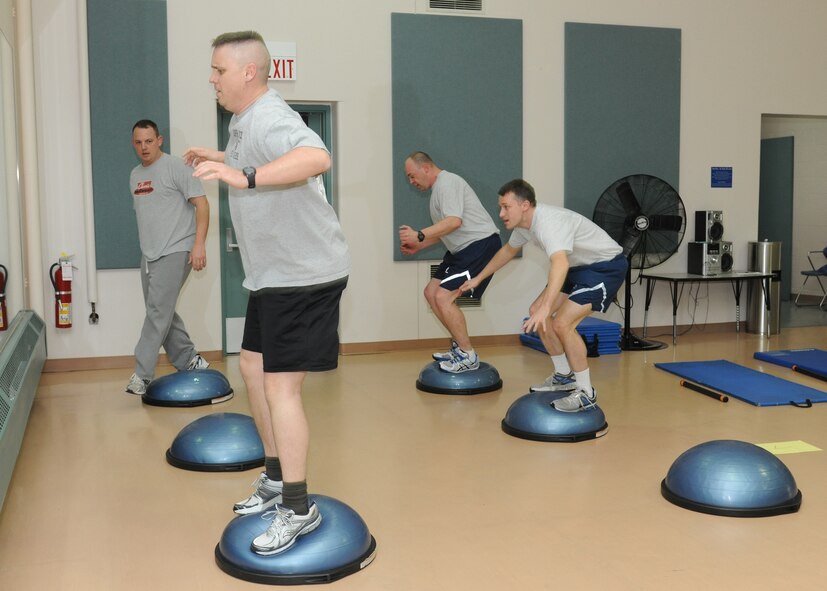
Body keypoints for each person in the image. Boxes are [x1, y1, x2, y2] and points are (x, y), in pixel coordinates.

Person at [184, 31, 350, 556]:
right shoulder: (243, 121)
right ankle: (276, 477)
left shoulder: (272, 115)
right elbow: (246, 152)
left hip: (303, 275)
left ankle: (298, 507)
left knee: (281, 389)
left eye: (218, 70)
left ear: (249, 73)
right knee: (252, 368)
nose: (211, 78)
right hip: (274, 276)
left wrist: (242, 175)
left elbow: (316, 156)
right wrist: (219, 156)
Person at [458, 179, 627, 412]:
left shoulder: (549, 223)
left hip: (603, 267)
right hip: (577, 267)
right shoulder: (523, 227)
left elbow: (560, 263)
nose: (501, 213)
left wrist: (548, 306)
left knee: (562, 323)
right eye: (501, 207)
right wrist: (478, 278)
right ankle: (563, 375)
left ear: (524, 205)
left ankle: (586, 392)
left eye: (506, 207)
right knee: (537, 313)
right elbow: (508, 251)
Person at [126, 119, 210, 396]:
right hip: (149, 254)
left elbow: (202, 204)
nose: (144, 147)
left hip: (177, 249)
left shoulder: (177, 167)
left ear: (159, 140)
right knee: (161, 311)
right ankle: (189, 360)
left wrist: (198, 245)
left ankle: (142, 374)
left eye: (149, 141)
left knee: (157, 312)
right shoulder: (135, 175)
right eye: (138, 142)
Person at [398, 152, 501, 373]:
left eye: (412, 176)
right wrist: (420, 244)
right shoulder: (438, 191)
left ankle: (468, 355)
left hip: (479, 245)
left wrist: (420, 234)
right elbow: (447, 230)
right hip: (461, 248)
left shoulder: (448, 182)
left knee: (444, 297)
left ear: (425, 168)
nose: (411, 182)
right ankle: (459, 346)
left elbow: (454, 222)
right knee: (431, 292)